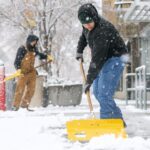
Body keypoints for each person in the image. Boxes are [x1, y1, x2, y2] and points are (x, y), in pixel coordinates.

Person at [76, 3, 128, 127]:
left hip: (115, 59)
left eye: (89, 22)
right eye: (84, 23)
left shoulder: (103, 30)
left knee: (104, 94)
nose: (87, 26)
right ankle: (117, 121)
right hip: (104, 60)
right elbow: (84, 36)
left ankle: (107, 125)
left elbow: (97, 59)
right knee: (98, 93)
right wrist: (79, 50)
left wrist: (88, 80)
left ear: (94, 17)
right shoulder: (87, 25)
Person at [12, 34, 53, 111]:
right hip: (22, 73)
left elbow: (39, 55)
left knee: (31, 90)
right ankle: (15, 106)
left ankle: (24, 106)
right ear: (29, 41)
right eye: (33, 41)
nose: (34, 43)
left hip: (31, 72)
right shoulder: (22, 49)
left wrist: (47, 57)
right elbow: (16, 61)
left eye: (35, 42)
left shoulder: (34, 49)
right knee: (20, 89)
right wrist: (18, 69)